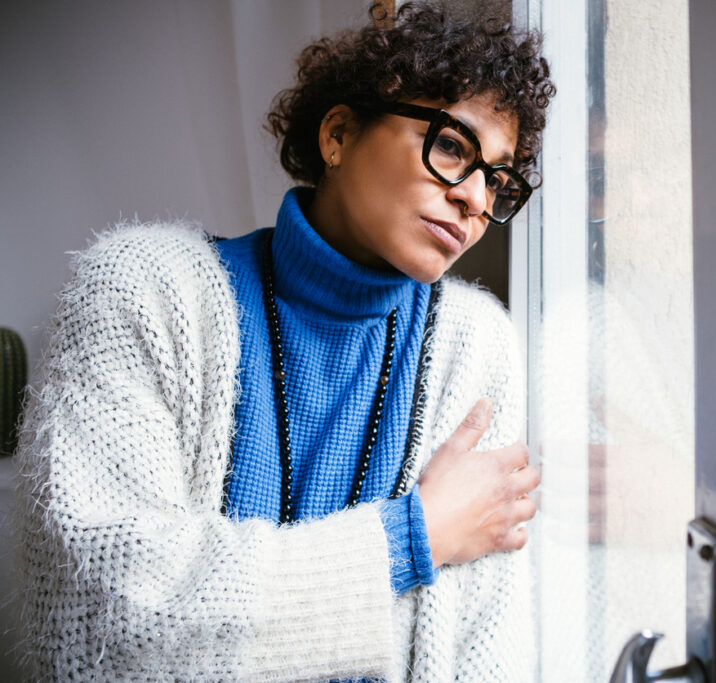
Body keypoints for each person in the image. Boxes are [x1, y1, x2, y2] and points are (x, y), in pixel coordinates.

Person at [15, 3, 555, 680]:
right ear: (337, 134)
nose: (476, 199)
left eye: (499, 180)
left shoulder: (478, 347)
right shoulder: (140, 290)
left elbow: (491, 650)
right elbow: (98, 625)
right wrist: (412, 538)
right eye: (452, 146)